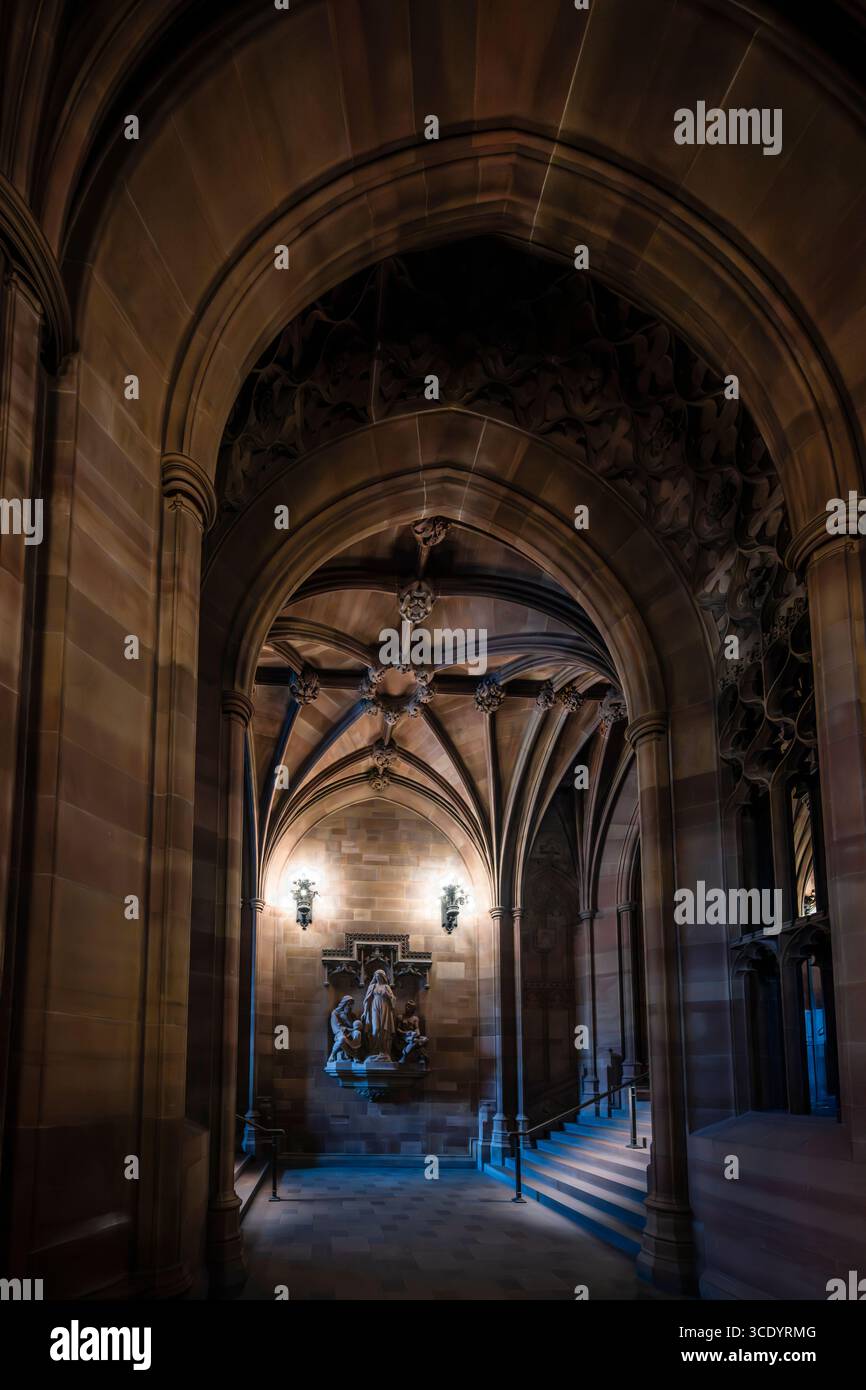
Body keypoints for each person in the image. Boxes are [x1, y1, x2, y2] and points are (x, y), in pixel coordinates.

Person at [362, 969, 397, 1059]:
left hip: (385, 1007)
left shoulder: (386, 987)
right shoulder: (372, 986)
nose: (378, 977)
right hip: (374, 1006)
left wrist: (388, 995)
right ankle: (374, 1050)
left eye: (379, 976)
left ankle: (384, 1051)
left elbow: (393, 999)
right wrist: (365, 1012)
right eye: (376, 976)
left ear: (383, 977)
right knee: (375, 1028)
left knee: (384, 1029)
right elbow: (367, 999)